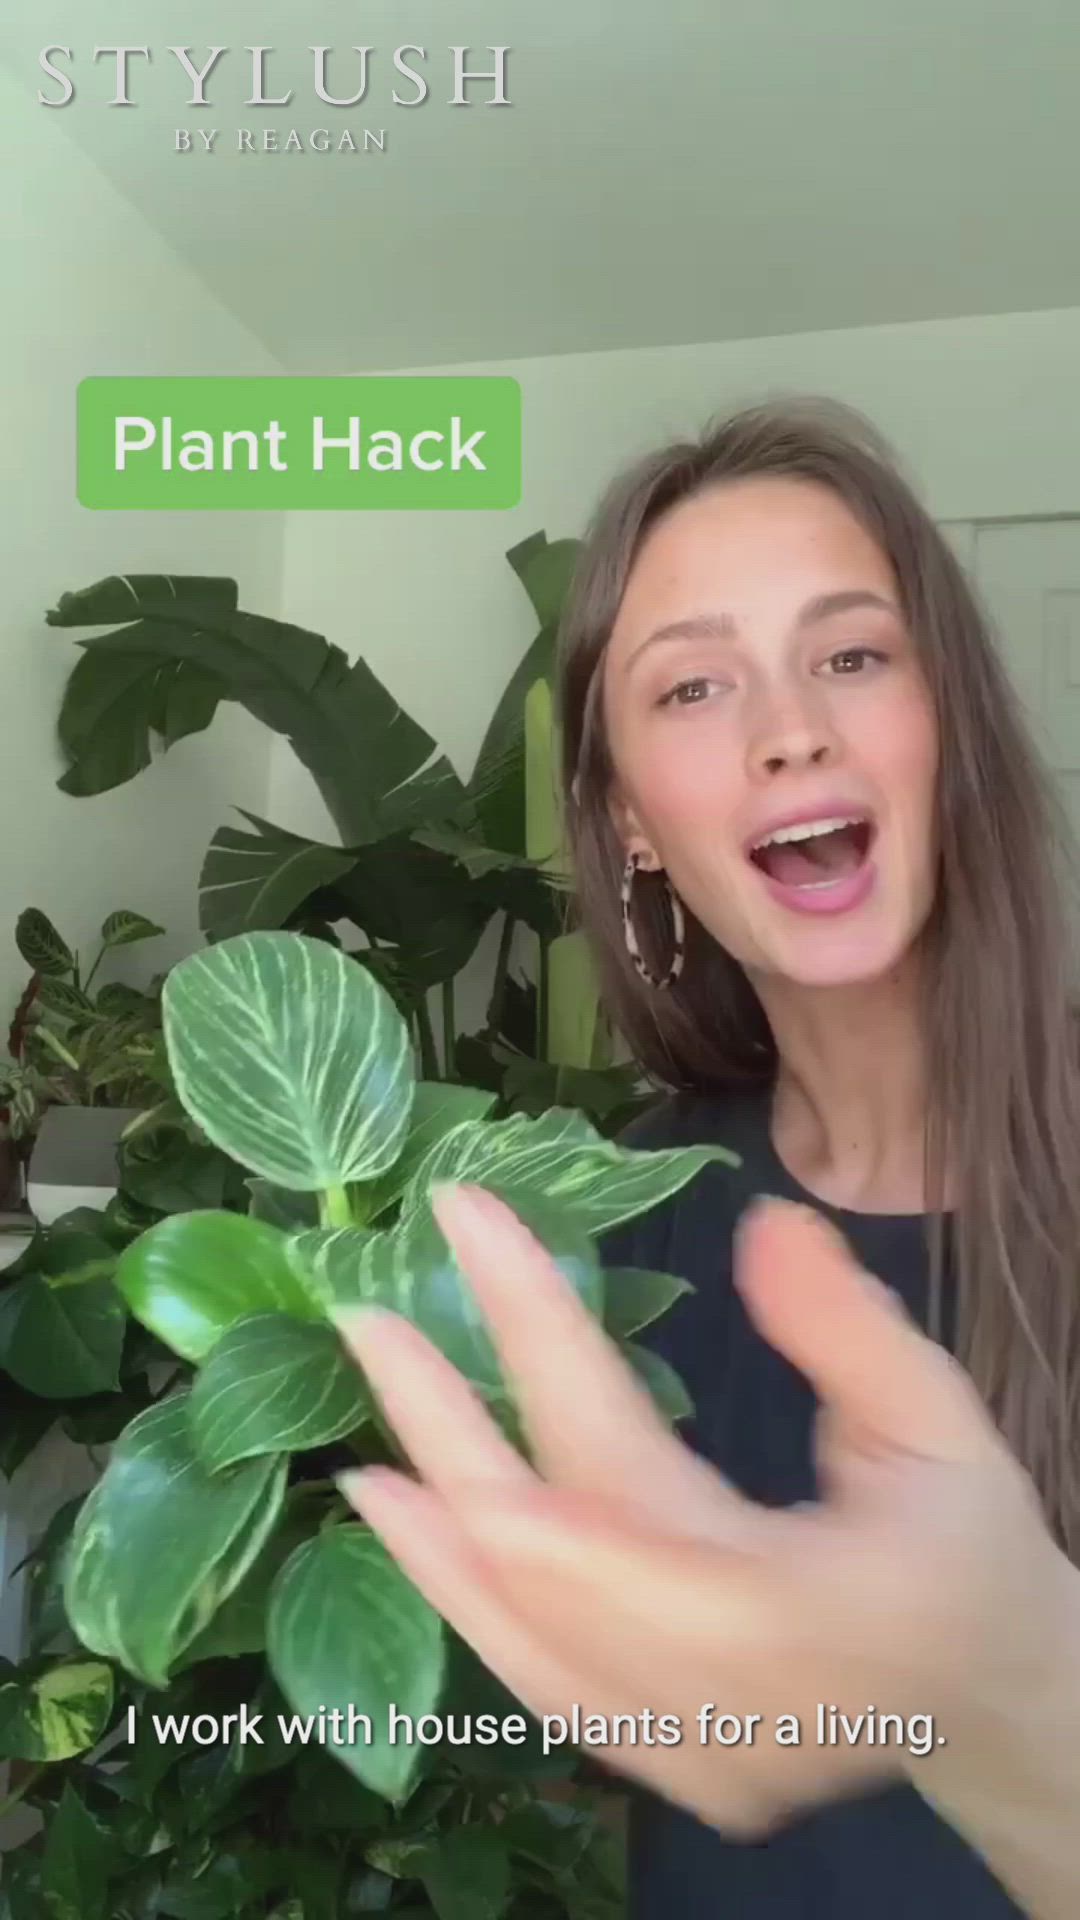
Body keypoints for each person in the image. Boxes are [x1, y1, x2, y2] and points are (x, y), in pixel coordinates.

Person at [334, 398, 1080, 1918]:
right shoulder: (636, 1207)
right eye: (692, 688)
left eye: (853, 655)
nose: (790, 724)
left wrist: (1008, 1701)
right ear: (633, 836)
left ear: (954, 730)